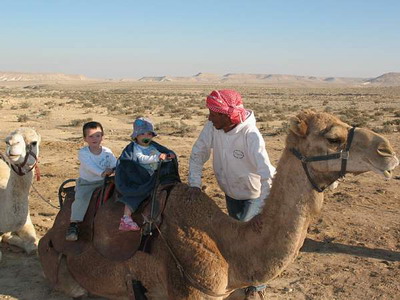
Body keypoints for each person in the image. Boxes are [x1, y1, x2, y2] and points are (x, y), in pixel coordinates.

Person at [188, 89, 275, 296]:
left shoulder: (250, 135)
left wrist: (263, 210)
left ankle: (256, 287)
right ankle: (241, 279)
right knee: (237, 236)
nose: (209, 117)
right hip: (231, 192)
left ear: (227, 115)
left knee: (250, 242)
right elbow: (198, 152)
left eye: (213, 113)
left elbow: (267, 174)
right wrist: (194, 184)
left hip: (252, 196)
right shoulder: (213, 126)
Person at [115, 117, 180, 231]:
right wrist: (158, 157)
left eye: (149, 134)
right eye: (142, 134)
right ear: (136, 135)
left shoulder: (154, 146)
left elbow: (163, 154)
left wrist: (169, 156)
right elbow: (141, 159)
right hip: (140, 176)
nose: (146, 136)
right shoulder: (136, 148)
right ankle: (126, 219)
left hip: (154, 175)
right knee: (137, 194)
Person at [66, 121, 117, 241]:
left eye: (98, 136)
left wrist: (115, 169)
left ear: (102, 137)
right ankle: (74, 225)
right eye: (91, 136)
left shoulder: (107, 152)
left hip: (106, 181)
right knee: (81, 199)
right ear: (85, 139)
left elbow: (115, 164)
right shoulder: (83, 153)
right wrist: (103, 172)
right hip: (88, 183)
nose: (95, 139)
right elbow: (90, 167)